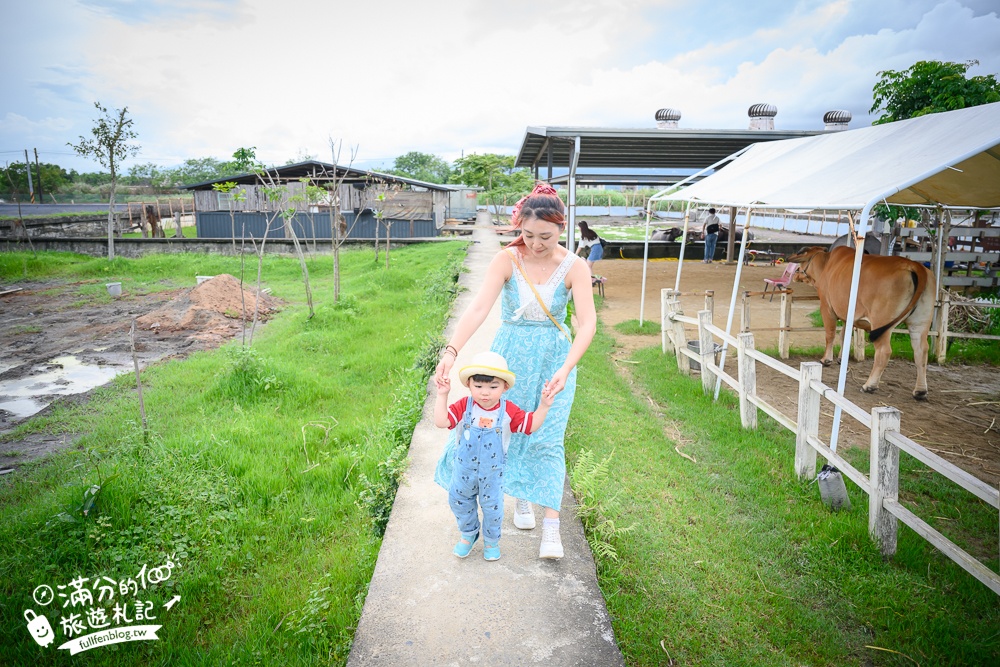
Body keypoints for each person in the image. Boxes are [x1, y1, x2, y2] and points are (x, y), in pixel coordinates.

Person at [434, 182, 597, 560]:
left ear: (562, 227)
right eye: (527, 234)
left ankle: (552, 529)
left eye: (546, 235)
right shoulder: (507, 260)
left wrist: (567, 367)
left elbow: (587, 324)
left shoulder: (576, 267)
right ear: (518, 227)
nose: (536, 244)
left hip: (554, 362)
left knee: (548, 436)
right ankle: (522, 499)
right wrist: (452, 351)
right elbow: (478, 308)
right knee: (507, 427)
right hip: (508, 360)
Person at [434, 351, 554, 561]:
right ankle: (468, 534)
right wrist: (443, 394)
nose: (485, 393)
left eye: (493, 387)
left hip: (492, 475)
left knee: (493, 509)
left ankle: (491, 540)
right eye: (478, 387)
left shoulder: (508, 411)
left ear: (505, 387)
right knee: (459, 501)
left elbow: (531, 425)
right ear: (469, 385)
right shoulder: (464, 406)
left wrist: (544, 405)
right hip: (464, 472)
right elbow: (441, 421)